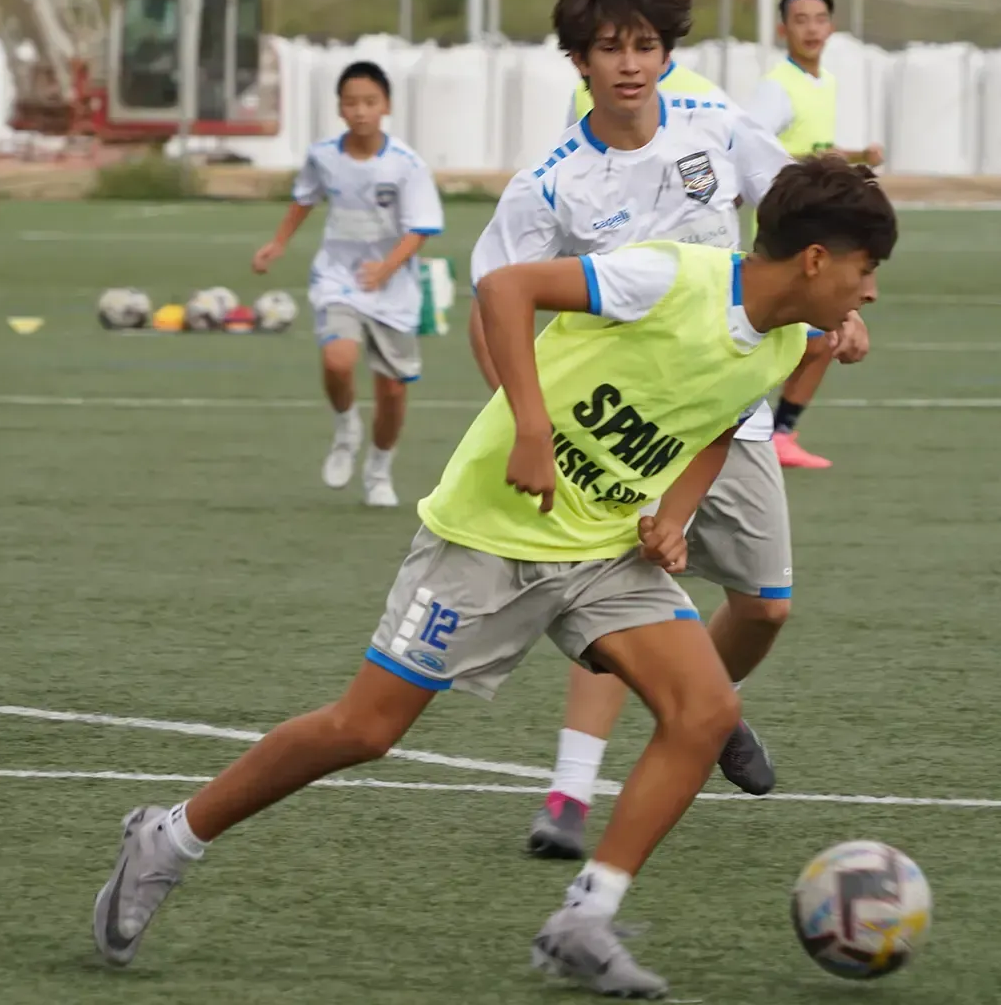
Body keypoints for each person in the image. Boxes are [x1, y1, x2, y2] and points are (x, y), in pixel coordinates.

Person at [92, 155, 895, 997]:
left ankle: (584, 920)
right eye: (866, 269)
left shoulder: (784, 341)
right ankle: (170, 837)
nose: (871, 292)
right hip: (491, 536)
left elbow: (718, 424)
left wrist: (676, 514)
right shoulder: (669, 277)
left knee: (707, 711)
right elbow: (506, 288)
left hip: (603, 550)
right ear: (815, 260)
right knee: (365, 729)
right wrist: (532, 429)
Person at [469, 0, 872, 861]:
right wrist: (526, 423)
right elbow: (491, 302)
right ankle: (570, 795)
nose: (629, 63)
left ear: (666, 53)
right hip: (618, 433)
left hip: (726, 414)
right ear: (579, 60)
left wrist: (841, 306)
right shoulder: (551, 182)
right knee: (623, 604)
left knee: (765, 608)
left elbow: (802, 213)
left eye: (644, 46)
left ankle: (706, 706)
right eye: (609, 48)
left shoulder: (714, 129)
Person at [253, 61, 444, 507]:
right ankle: (346, 429)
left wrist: (386, 269)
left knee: (392, 391)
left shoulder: (406, 165)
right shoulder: (323, 156)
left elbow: (421, 228)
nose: (360, 111)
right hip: (338, 278)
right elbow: (304, 198)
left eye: (370, 102)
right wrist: (278, 243)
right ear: (339, 108)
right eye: (351, 102)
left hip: (393, 288)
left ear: (386, 106)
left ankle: (379, 470)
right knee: (337, 360)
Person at [748, 0, 885, 469]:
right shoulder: (777, 86)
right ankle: (766, 431)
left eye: (819, 18)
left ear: (831, 26)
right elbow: (752, 145)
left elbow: (815, 149)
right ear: (782, 29)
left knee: (819, 337)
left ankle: (777, 433)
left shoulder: (822, 82)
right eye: (800, 20)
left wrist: (854, 156)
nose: (811, 28)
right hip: (790, 234)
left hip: (817, 232)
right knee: (812, 336)